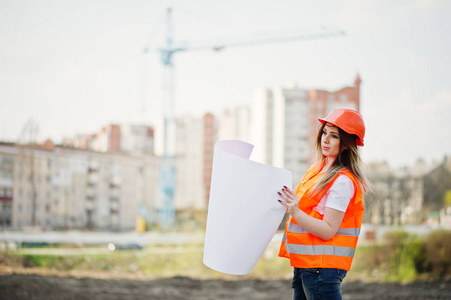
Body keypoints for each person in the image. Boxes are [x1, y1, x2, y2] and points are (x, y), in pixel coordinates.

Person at [277, 107, 370, 300]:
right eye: (324, 132)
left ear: (346, 143)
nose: (325, 139)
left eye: (334, 136)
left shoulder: (342, 181)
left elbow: (328, 230)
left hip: (322, 270)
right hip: (305, 266)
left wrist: (295, 210)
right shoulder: (317, 170)